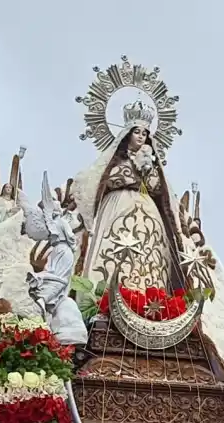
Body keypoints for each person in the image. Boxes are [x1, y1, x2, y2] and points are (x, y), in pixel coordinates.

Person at [73, 101, 183, 293]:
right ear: (127, 134)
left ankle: (150, 298)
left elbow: (160, 191)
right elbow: (101, 180)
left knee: (149, 253)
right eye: (137, 132)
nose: (141, 137)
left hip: (148, 210)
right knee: (112, 251)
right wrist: (131, 172)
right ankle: (102, 296)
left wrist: (148, 169)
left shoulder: (151, 162)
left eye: (144, 133)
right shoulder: (116, 160)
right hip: (117, 206)